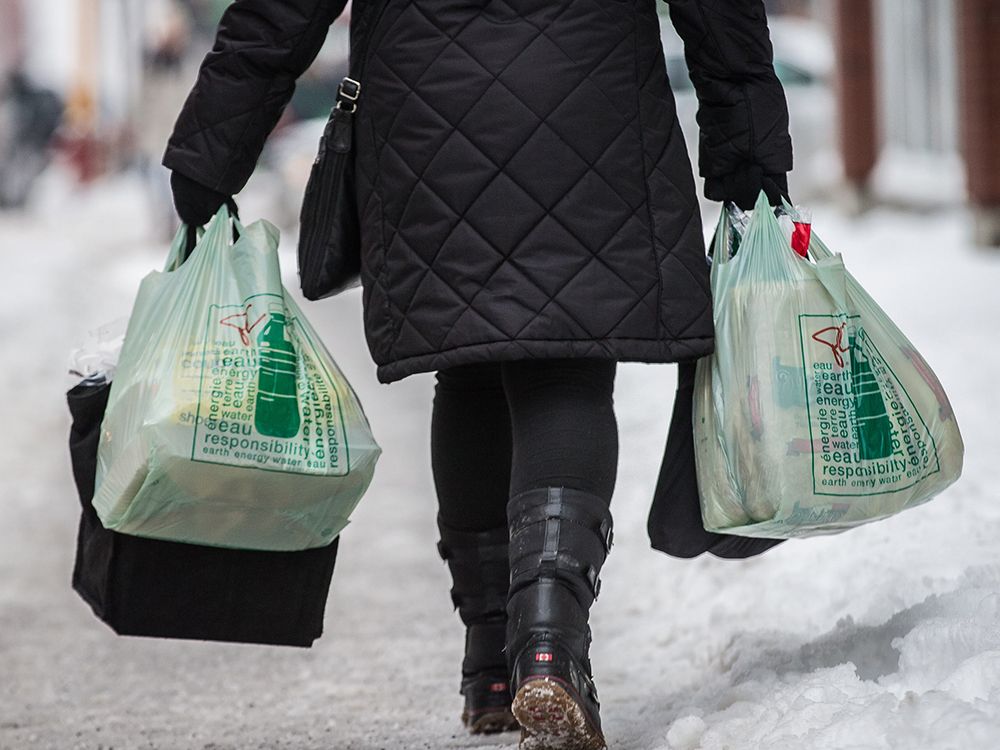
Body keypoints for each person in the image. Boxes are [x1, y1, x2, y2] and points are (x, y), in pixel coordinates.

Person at [163, 1, 791, 748]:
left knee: (465, 364)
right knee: (566, 369)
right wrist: (750, 148)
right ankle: (550, 647)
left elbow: (276, 15)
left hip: (425, 125)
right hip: (595, 112)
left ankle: (492, 663)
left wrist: (211, 151)